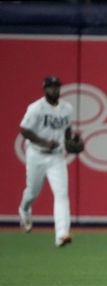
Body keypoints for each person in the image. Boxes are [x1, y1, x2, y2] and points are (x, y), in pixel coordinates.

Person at [19, 75, 76, 248]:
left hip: (56, 156)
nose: (54, 89)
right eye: (51, 87)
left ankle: (61, 234)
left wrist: (73, 144)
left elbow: (67, 132)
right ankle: (24, 209)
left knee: (61, 194)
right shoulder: (36, 108)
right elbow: (24, 130)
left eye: (56, 86)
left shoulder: (67, 108)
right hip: (36, 154)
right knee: (33, 191)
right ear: (44, 89)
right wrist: (44, 142)